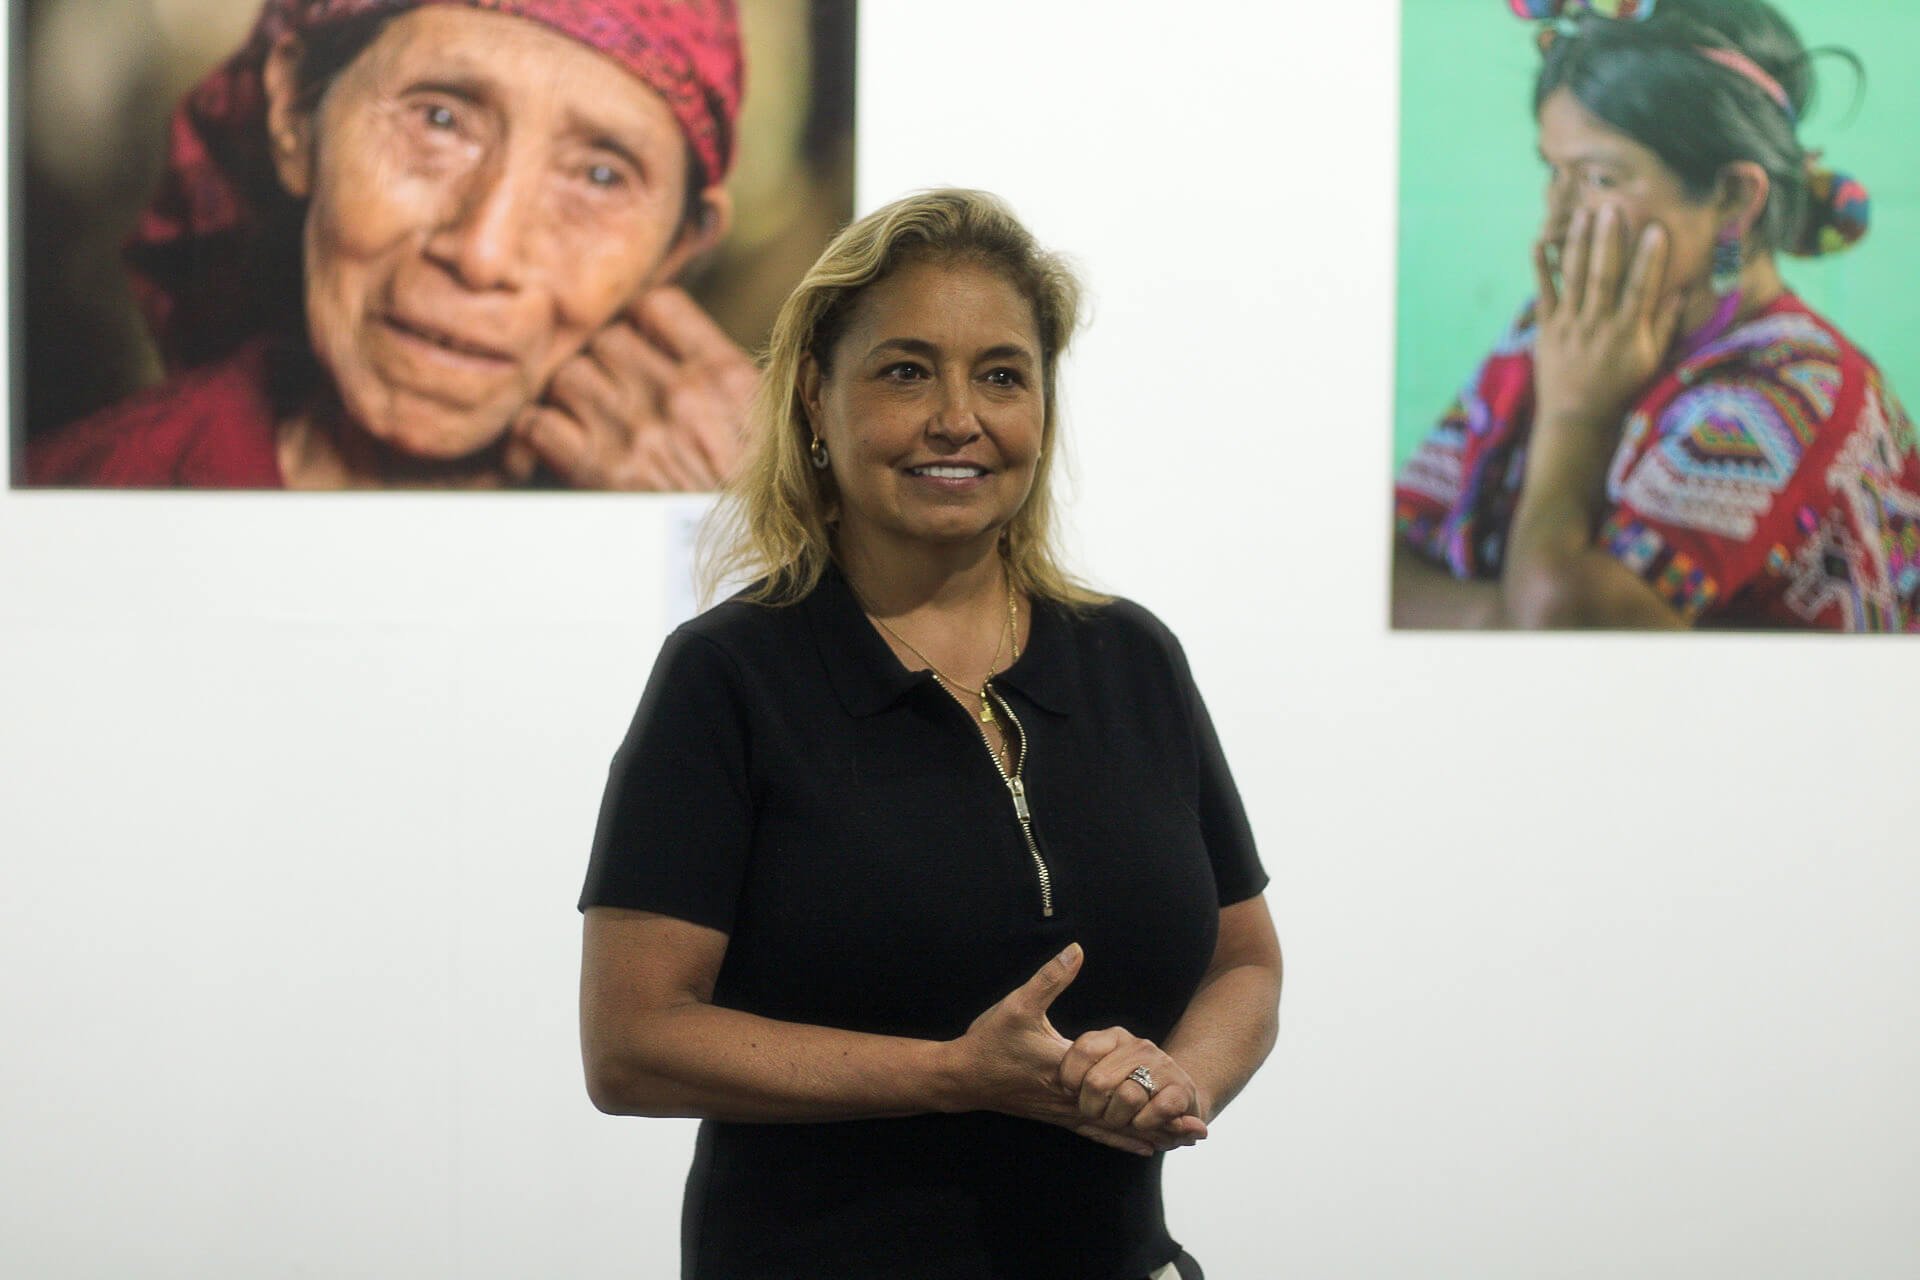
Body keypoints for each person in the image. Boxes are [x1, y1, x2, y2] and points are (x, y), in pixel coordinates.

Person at [577, 189, 1282, 1279]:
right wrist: (953, 1072)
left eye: (1002, 374)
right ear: (816, 396)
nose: (959, 416)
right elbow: (632, 1042)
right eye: (907, 370)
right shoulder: (730, 677)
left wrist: (1178, 1078)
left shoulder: (1132, 660)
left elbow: (1245, 958)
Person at [27, 0, 758, 490]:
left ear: (676, 250)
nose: (484, 254)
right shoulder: (82, 499)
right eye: (438, 120)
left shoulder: (747, 532)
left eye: (600, 175)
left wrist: (749, 538)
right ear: (294, 116)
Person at [1393, 0, 1920, 630]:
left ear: (1733, 196)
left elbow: (1564, 629)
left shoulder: (1794, 393)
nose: (1556, 221)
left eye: (1599, 179)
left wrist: (1575, 417)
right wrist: (1497, 622)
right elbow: (1372, 569)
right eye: (1553, 172)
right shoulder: (1550, 332)